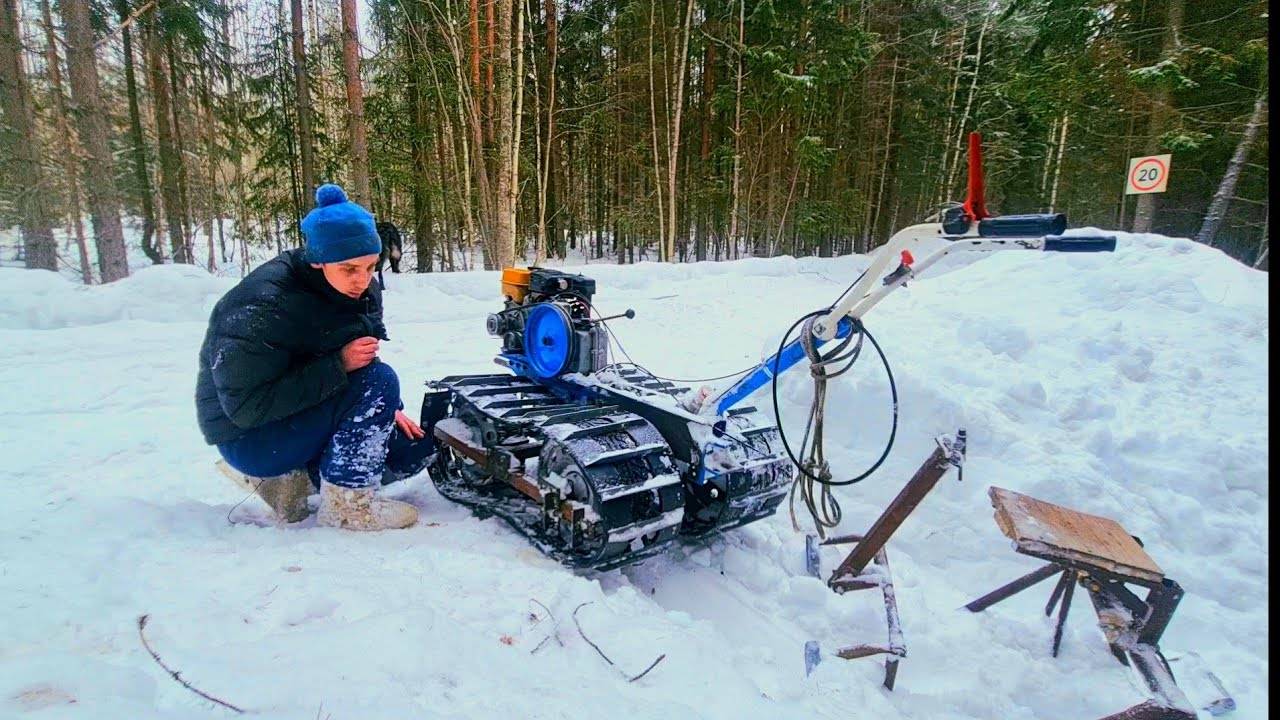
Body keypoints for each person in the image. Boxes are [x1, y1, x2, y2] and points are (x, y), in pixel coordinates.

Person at [195, 184, 435, 530]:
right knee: (381, 382)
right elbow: (247, 409)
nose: (362, 280)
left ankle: (295, 483)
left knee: (410, 451)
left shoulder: (360, 290)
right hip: (249, 437)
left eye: (370, 267)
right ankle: (348, 506)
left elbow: (361, 359)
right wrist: (340, 366)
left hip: (302, 409)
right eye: (350, 269)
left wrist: (384, 408)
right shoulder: (261, 306)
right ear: (319, 259)